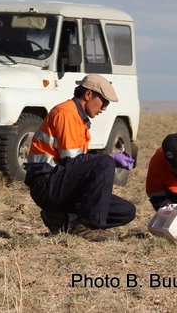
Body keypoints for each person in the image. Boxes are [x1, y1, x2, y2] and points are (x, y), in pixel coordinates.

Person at [24, 74, 136, 241]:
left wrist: (107, 159)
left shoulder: (79, 119)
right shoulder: (66, 113)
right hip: (46, 184)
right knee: (104, 163)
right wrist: (109, 159)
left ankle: (64, 220)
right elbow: (71, 160)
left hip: (61, 183)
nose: (104, 108)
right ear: (88, 95)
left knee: (126, 211)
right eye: (103, 102)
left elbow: (77, 163)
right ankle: (86, 227)